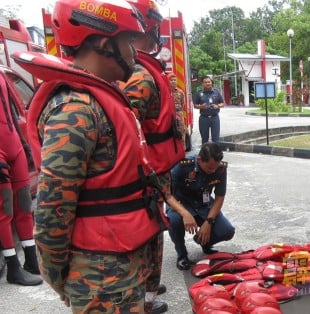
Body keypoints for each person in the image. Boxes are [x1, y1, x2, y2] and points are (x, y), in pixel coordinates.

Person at [17, 0, 165, 311]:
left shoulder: (99, 99)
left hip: (122, 268)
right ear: (102, 43)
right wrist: (59, 276)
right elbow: (52, 208)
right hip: (100, 279)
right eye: (128, 43)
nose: (135, 54)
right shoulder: (75, 110)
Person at [118, 1, 188, 312]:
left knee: (154, 230)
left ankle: (148, 284)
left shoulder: (146, 70)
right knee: (149, 232)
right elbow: (127, 125)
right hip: (147, 173)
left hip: (156, 168)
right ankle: (146, 298)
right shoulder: (142, 76)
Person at [0, 23, 41, 286]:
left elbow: (11, 112)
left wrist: (25, 144)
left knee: (24, 204)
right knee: (4, 208)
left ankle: (31, 259)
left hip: (14, 145)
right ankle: (13, 267)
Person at [167, 142, 235, 270]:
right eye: (209, 168)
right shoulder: (183, 165)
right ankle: (182, 255)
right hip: (181, 204)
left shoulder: (220, 168)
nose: (213, 171)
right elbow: (168, 195)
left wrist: (208, 222)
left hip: (204, 205)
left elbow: (219, 197)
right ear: (199, 160)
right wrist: (185, 214)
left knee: (227, 231)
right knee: (174, 221)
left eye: (215, 168)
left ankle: (204, 241)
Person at [194, 75, 225, 144]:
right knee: (204, 139)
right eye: (205, 82)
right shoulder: (199, 93)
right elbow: (195, 105)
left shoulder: (216, 92)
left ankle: (215, 154)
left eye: (209, 82)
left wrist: (218, 106)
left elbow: (223, 103)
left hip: (215, 118)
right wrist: (201, 107)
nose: (208, 83)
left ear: (211, 82)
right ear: (202, 84)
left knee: (216, 139)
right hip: (204, 119)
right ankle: (205, 154)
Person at [168, 72, 191, 151]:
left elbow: (182, 104)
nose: (173, 81)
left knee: (181, 133)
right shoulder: (165, 92)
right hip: (169, 116)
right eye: (171, 80)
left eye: (175, 80)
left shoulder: (180, 92)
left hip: (179, 115)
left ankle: (183, 150)